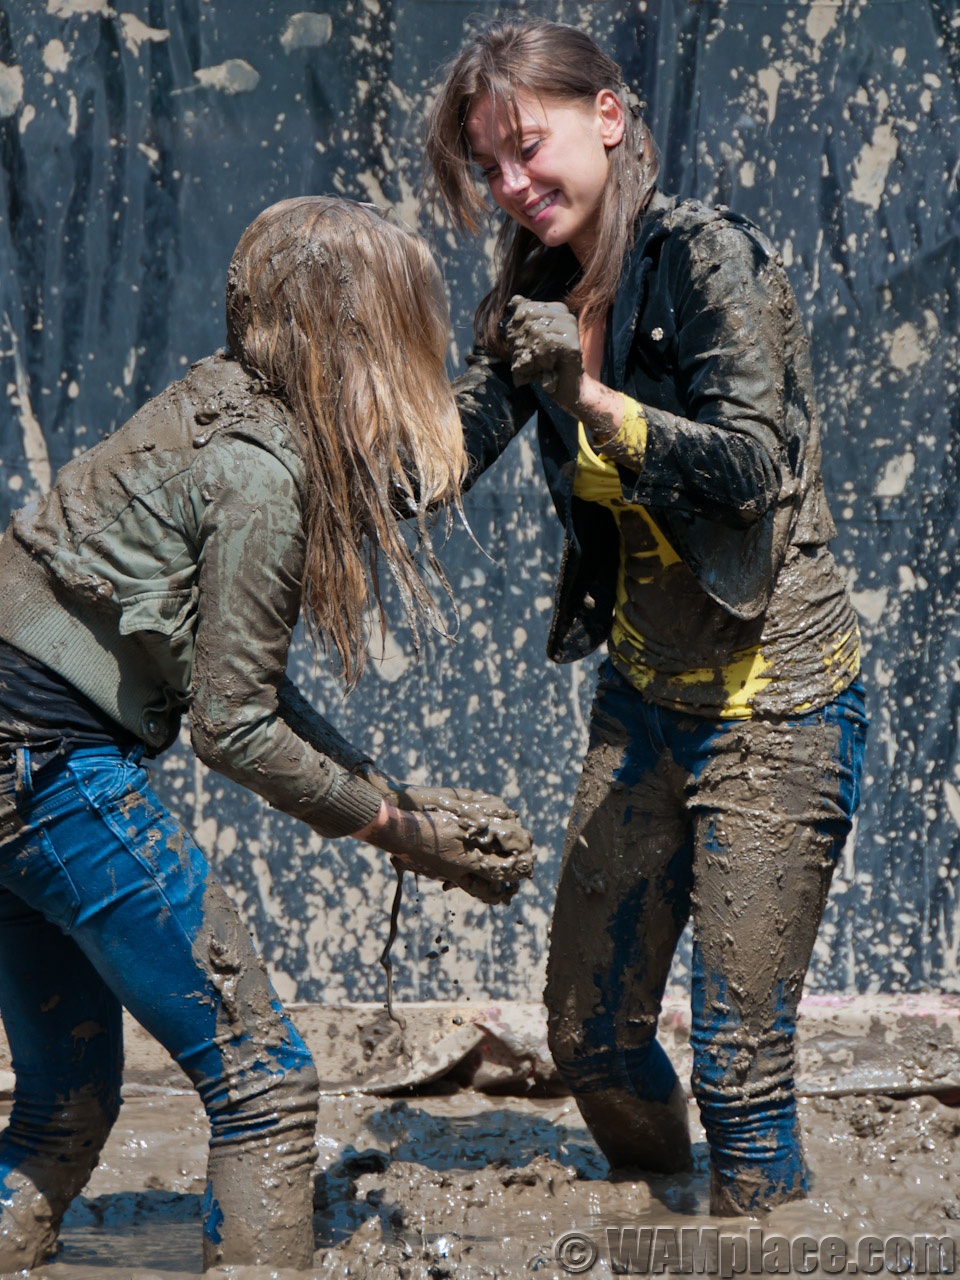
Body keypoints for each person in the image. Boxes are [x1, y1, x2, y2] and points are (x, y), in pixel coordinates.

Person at [0, 196, 533, 1272]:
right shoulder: (262, 469)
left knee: (66, 1098)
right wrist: (399, 828)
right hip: (47, 772)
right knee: (267, 1084)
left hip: (20, 764)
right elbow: (234, 729)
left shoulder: (212, 400)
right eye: (408, 345)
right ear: (354, 348)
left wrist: (383, 789)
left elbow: (231, 680)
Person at [424, 18, 867, 1215]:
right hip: (642, 697)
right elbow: (450, 450)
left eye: (528, 147)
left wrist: (585, 392)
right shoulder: (534, 286)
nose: (513, 185)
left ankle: (764, 1229)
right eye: (489, 167)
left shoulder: (707, 257)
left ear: (610, 118)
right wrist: (324, 442)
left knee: (739, 1071)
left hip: (779, 703)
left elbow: (749, 467)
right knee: (589, 1039)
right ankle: (661, 1214)